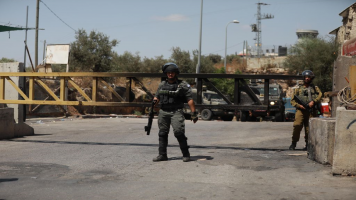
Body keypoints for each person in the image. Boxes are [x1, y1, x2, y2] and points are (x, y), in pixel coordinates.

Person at [152, 62, 198, 162]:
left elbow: (190, 99)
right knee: (162, 133)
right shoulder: (162, 85)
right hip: (164, 111)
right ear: (166, 74)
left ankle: (186, 154)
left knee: (179, 132)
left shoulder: (183, 85)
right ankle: (162, 155)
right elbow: (157, 97)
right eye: (168, 72)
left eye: (172, 72)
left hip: (176, 111)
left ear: (176, 73)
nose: (170, 74)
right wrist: (153, 104)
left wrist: (193, 113)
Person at [289, 70, 322, 150]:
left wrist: (313, 102)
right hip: (300, 111)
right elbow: (292, 100)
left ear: (311, 78)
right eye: (306, 77)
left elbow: (320, 95)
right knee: (297, 126)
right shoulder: (298, 89)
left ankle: (308, 144)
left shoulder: (315, 88)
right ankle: (293, 143)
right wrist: (299, 105)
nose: (307, 79)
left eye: (309, 77)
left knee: (309, 128)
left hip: (311, 110)